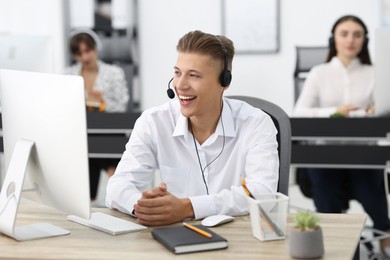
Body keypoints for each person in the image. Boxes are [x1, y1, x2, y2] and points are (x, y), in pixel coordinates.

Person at [106, 30, 279, 226]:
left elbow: (263, 192)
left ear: (224, 82)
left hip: (239, 240)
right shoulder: (154, 121)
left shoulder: (256, 124)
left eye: (194, 75)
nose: (180, 85)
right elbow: (117, 186)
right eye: (177, 73)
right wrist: (143, 208)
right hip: (175, 239)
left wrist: (188, 207)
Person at [293, 15, 390, 257]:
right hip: (324, 156)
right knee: (328, 208)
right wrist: (335, 112)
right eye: (344, 34)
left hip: (364, 156)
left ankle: (385, 243)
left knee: (378, 207)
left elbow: (383, 109)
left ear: (364, 41)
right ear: (333, 39)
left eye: (357, 35)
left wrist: (374, 111)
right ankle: (340, 250)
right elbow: (299, 113)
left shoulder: (375, 73)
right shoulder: (319, 73)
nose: (351, 40)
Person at [65, 28, 129, 201]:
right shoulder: (68, 75)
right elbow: (64, 106)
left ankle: (92, 194)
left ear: (95, 48)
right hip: (82, 128)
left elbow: (122, 105)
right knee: (89, 137)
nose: (85, 57)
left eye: (87, 51)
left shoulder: (114, 72)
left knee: (92, 141)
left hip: (108, 127)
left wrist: (103, 101)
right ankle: (113, 174)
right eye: (79, 53)